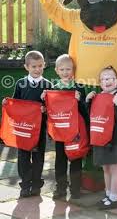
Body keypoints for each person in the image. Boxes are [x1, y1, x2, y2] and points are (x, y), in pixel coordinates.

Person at [3, 50, 52, 198]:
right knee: (23, 157)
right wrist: (7, 103)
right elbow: (15, 103)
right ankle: (25, 185)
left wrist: (45, 108)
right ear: (26, 67)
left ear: (44, 65)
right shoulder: (20, 84)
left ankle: (36, 184)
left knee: (38, 157)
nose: (37, 69)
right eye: (34, 67)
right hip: (23, 130)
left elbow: (52, 109)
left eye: (40, 66)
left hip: (39, 130)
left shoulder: (47, 85)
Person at [44, 54, 89, 200]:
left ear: (73, 70)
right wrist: (44, 99)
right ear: (56, 70)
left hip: (75, 132)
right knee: (60, 160)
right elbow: (50, 112)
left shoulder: (79, 87)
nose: (65, 72)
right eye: (62, 69)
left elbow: (85, 111)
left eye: (68, 69)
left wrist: (79, 100)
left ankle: (75, 188)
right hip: (59, 131)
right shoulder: (53, 88)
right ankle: (60, 188)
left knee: (75, 159)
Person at [86, 66, 117, 209]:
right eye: (102, 79)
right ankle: (108, 195)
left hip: (115, 141)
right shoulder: (98, 97)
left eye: (109, 78)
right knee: (106, 169)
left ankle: (114, 199)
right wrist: (88, 102)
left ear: (116, 81)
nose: (105, 81)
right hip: (101, 140)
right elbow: (92, 117)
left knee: (115, 169)